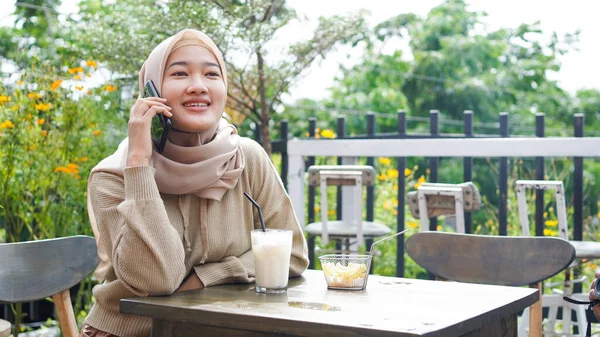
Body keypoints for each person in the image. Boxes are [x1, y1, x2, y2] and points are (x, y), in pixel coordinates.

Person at [80, 29, 309, 337]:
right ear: (151, 89)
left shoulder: (246, 158)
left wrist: (211, 275)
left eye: (211, 74)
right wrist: (139, 165)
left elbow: (292, 254)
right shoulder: (113, 177)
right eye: (179, 73)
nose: (198, 86)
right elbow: (157, 280)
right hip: (131, 331)